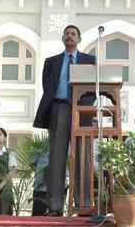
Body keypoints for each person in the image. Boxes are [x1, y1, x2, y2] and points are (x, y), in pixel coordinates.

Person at [33, 24, 96, 216]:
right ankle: (55, 206)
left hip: (81, 111)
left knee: (83, 157)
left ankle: (84, 204)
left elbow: (94, 86)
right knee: (56, 159)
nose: (70, 36)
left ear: (79, 39)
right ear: (63, 38)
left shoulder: (89, 60)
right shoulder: (51, 61)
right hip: (58, 108)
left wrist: (85, 107)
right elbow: (47, 86)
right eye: (67, 34)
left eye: (73, 34)